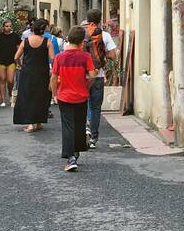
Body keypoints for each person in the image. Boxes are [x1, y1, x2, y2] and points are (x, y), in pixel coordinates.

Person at [50, 26, 95, 172]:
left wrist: (55, 94)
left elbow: (54, 77)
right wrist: (86, 86)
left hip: (65, 96)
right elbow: (93, 75)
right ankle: (76, 151)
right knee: (79, 125)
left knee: (68, 126)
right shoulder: (85, 57)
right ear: (82, 41)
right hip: (81, 96)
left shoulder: (60, 57)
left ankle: (70, 158)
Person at [83, 9, 118, 148]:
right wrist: (102, 56)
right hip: (98, 75)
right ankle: (93, 138)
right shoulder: (105, 35)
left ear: (87, 19)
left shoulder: (81, 34)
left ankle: (84, 129)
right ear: (99, 20)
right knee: (96, 107)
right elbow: (113, 56)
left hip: (83, 75)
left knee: (82, 104)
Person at [14, 18, 55, 132]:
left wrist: (21, 65)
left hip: (28, 71)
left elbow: (16, 57)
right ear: (43, 29)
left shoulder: (26, 41)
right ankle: (39, 122)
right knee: (41, 96)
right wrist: (53, 71)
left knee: (27, 96)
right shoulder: (47, 41)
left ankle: (30, 123)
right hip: (42, 72)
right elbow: (53, 58)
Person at [0, 19, 22, 108]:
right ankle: (3, 99)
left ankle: (10, 93)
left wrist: (19, 58)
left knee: (10, 80)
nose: (8, 28)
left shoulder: (15, 36)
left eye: (10, 26)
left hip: (11, 60)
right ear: (3, 27)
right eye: (6, 26)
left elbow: (19, 48)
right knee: (2, 79)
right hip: (1, 59)